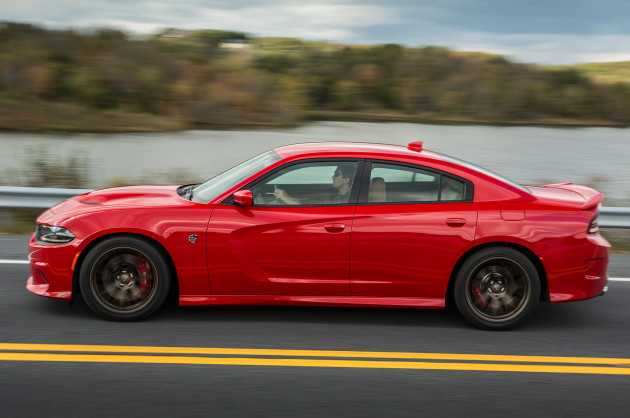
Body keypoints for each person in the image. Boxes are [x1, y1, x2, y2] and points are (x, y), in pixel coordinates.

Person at [274, 163, 356, 205]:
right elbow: (318, 202)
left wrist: (288, 199)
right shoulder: (340, 196)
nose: (333, 176)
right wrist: (290, 198)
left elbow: (314, 208)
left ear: (346, 180)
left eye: (336, 174)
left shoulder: (344, 201)